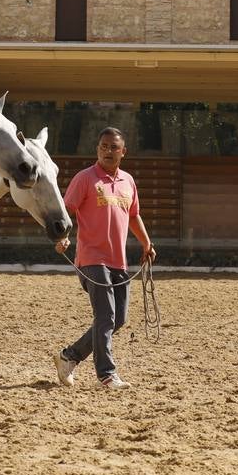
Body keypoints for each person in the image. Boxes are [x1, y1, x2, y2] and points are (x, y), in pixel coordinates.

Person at [54, 126, 155, 390]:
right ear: (97, 149)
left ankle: (69, 356)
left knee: (117, 319)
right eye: (103, 146)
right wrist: (64, 237)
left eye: (113, 147)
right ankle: (106, 375)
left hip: (118, 260)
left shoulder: (128, 182)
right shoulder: (85, 178)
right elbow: (67, 210)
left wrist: (146, 244)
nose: (108, 151)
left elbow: (133, 215)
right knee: (106, 316)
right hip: (91, 259)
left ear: (123, 152)